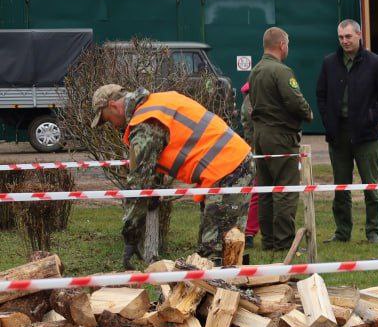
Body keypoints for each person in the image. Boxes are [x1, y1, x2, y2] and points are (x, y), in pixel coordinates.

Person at [90, 84, 251, 265]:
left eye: (107, 119)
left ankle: (228, 289)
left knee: (218, 249)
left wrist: (131, 236)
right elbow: (154, 164)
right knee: (215, 244)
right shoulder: (156, 103)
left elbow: (138, 184)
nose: (112, 125)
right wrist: (154, 189)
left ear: (113, 106)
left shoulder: (145, 123)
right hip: (226, 165)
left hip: (229, 167)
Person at [316, 19, 378, 245]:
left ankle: (373, 231)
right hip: (337, 135)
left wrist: (371, 117)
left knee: (371, 186)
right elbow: (321, 94)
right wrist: (328, 119)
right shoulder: (329, 63)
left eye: (348, 37)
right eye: (341, 37)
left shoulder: (375, 62)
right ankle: (342, 232)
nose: (344, 41)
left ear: (359, 35)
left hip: (366, 136)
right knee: (341, 188)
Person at [248, 27, 312, 252]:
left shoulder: (255, 70)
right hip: (281, 136)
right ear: (282, 45)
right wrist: (308, 114)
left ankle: (269, 241)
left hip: (260, 135)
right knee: (285, 189)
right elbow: (295, 100)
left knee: (265, 189)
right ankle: (284, 243)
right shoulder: (281, 71)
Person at [237, 80, 259, 249]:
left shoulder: (248, 98)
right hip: (256, 148)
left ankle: (249, 231)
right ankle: (249, 232)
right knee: (256, 192)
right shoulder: (253, 98)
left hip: (252, 146)